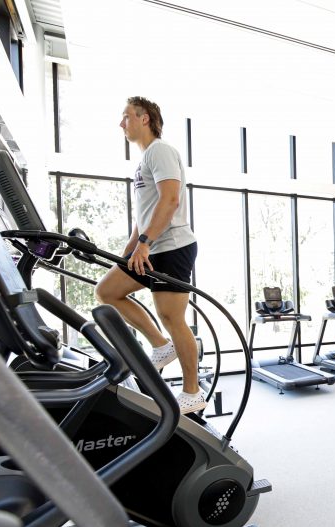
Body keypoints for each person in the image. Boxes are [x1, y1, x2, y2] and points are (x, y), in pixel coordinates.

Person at [95, 96, 205, 414]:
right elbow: (143, 214)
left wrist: (144, 243)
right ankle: (160, 345)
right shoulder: (143, 162)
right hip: (150, 246)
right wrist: (128, 251)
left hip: (172, 247)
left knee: (172, 317)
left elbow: (169, 200)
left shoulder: (161, 151)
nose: (121, 123)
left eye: (126, 116)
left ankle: (192, 392)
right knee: (107, 291)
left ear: (145, 119)